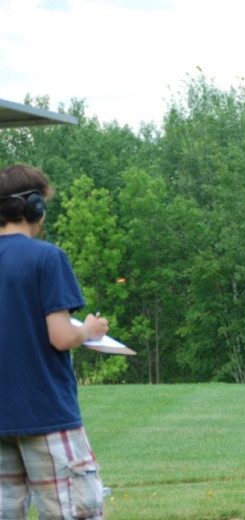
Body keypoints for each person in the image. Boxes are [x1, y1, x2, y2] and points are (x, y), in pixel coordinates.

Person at [0, 164, 110, 520]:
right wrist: (89, 330)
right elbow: (61, 337)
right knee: (70, 511)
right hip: (45, 413)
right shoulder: (47, 257)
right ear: (35, 208)